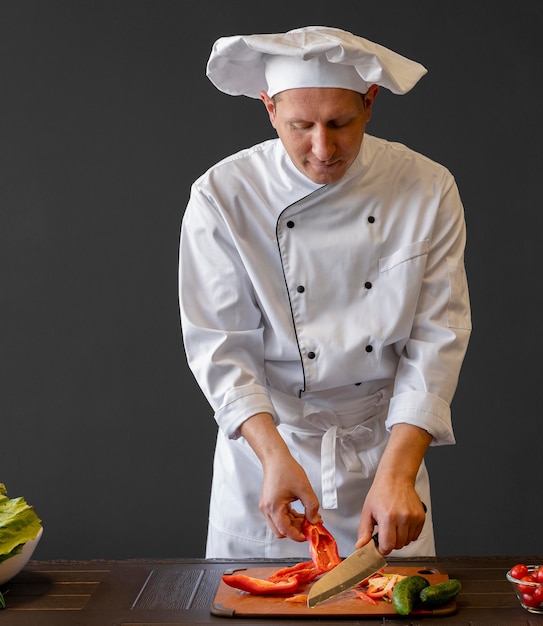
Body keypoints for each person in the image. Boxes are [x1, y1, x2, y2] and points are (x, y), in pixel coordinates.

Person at [178, 26, 471, 560]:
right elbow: (221, 345)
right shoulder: (223, 194)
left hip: (385, 456)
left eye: (340, 123)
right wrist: (272, 457)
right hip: (269, 457)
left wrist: (399, 472)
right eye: (300, 126)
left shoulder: (426, 187)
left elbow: (437, 338)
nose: (322, 148)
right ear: (268, 108)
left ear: (370, 102)